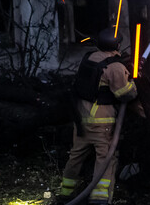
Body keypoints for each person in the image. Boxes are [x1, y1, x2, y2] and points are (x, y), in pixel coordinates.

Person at [58, 28, 137, 205]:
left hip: (81, 119)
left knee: (75, 156)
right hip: (102, 123)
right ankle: (100, 198)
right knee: (106, 159)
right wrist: (132, 81)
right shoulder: (115, 67)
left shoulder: (89, 58)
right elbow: (125, 94)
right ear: (117, 45)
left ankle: (66, 192)